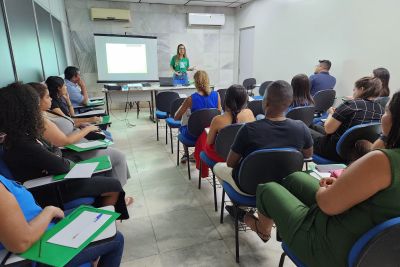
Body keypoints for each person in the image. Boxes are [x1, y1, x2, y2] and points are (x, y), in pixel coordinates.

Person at [244, 92, 400, 267]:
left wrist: (325, 190)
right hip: (370, 241)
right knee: (295, 178)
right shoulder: (385, 160)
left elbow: (327, 204)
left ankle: (263, 230)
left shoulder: (382, 160)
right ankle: (286, 225)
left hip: (331, 247)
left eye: (386, 112)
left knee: (267, 189)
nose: (382, 117)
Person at [0, 83, 129, 218]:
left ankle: (101, 213)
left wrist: (55, 155)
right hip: (51, 188)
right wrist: (58, 157)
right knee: (114, 185)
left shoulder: (18, 135)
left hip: (51, 178)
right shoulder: (22, 143)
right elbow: (61, 165)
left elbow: (53, 151)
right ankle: (102, 222)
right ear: (25, 110)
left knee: (101, 176)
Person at [213, 80, 313, 196]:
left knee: (218, 167)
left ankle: (238, 204)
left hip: (249, 187)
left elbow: (230, 163)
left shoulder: (248, 130)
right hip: (284, 185)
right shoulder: (301, 127)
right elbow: (307, 155)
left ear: (265, 103)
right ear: (290, 103)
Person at [0, 174, 124, 267]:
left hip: (44, 230)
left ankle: (90, 259)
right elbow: (21, 243)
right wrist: (49, 211)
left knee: (90, 213)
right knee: (116, 239)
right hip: (39, 253)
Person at [28, 82, 131, 190]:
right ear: (37, 101)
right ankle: (118, 193)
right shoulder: (41, 121)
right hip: (76, 151)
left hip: (80, 142)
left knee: (111, 148)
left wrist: (82, 123)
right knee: (119, 156)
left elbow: (69, 121)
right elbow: (65, 141)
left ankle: (114, 190)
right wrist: (87, 129)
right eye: (47, 97)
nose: (51, 99)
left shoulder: (47, 112)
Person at [311, 76, 384, 162]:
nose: (353, 92)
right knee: (313, 126)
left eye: (354, 89)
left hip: (333, 151)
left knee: (302, 129)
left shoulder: (351, 105)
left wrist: (331, 113)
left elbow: (328, 129)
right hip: (354, 152)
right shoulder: (381, 110)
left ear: (361, 89)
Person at [194, 85, 255, 177]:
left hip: (222, 157)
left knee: (203, 137)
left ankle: (202, 171)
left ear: (227, 100)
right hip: (242, 155)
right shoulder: (249, 113)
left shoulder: (218, 120)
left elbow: (209, 142)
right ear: (244, 100)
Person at [174, 70, 222, 163]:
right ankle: (196, 153)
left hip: (194, 135)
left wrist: (183, 106)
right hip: (210, 134)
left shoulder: (190, 99)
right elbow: (219, 114)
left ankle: (186, 154)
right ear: (208, 80)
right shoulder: (217, 95)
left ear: (195, 82)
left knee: (183, 125)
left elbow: (176, 117)